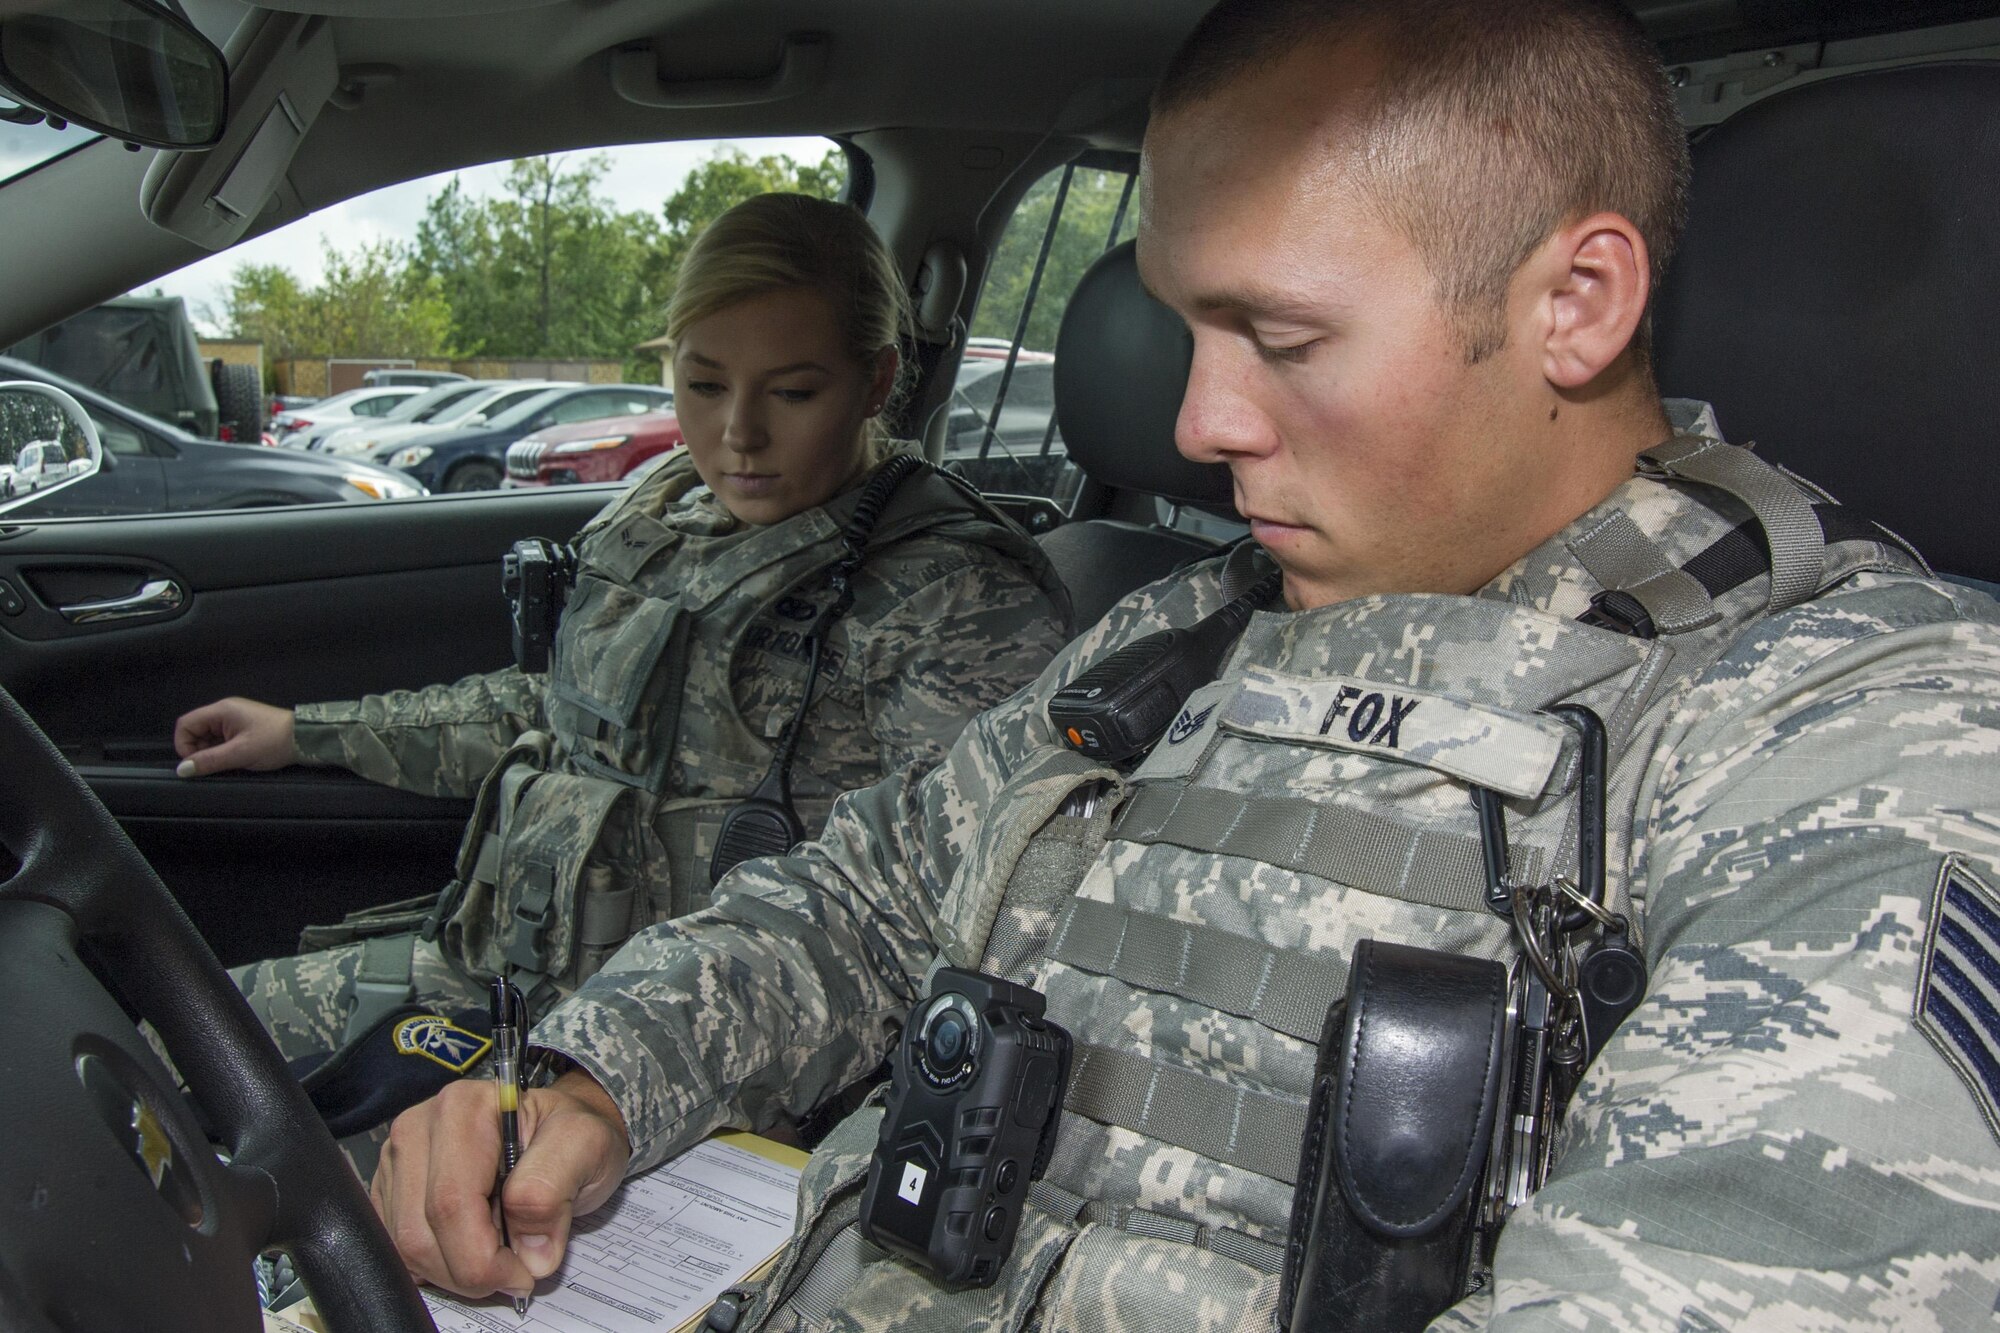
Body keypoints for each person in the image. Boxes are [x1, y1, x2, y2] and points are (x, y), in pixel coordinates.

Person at [371, 2, 2000, 1327]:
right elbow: (869, 892)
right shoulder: (1184, 629)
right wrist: (597, 1075)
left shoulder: (1857, 721)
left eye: (1281, 339)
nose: (1199, 421)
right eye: (1183, 326)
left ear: (1575, 301)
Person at [170, 192, 1073, 1169]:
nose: (736, 434)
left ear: (875, 381)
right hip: (495, 972)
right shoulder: (667, 514)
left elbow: (950, 905)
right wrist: (307, 731)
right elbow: (556, 715)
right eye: (702, 383)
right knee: (170, 1049)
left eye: (793, 392)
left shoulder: (952, 591)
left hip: (706, 1058)